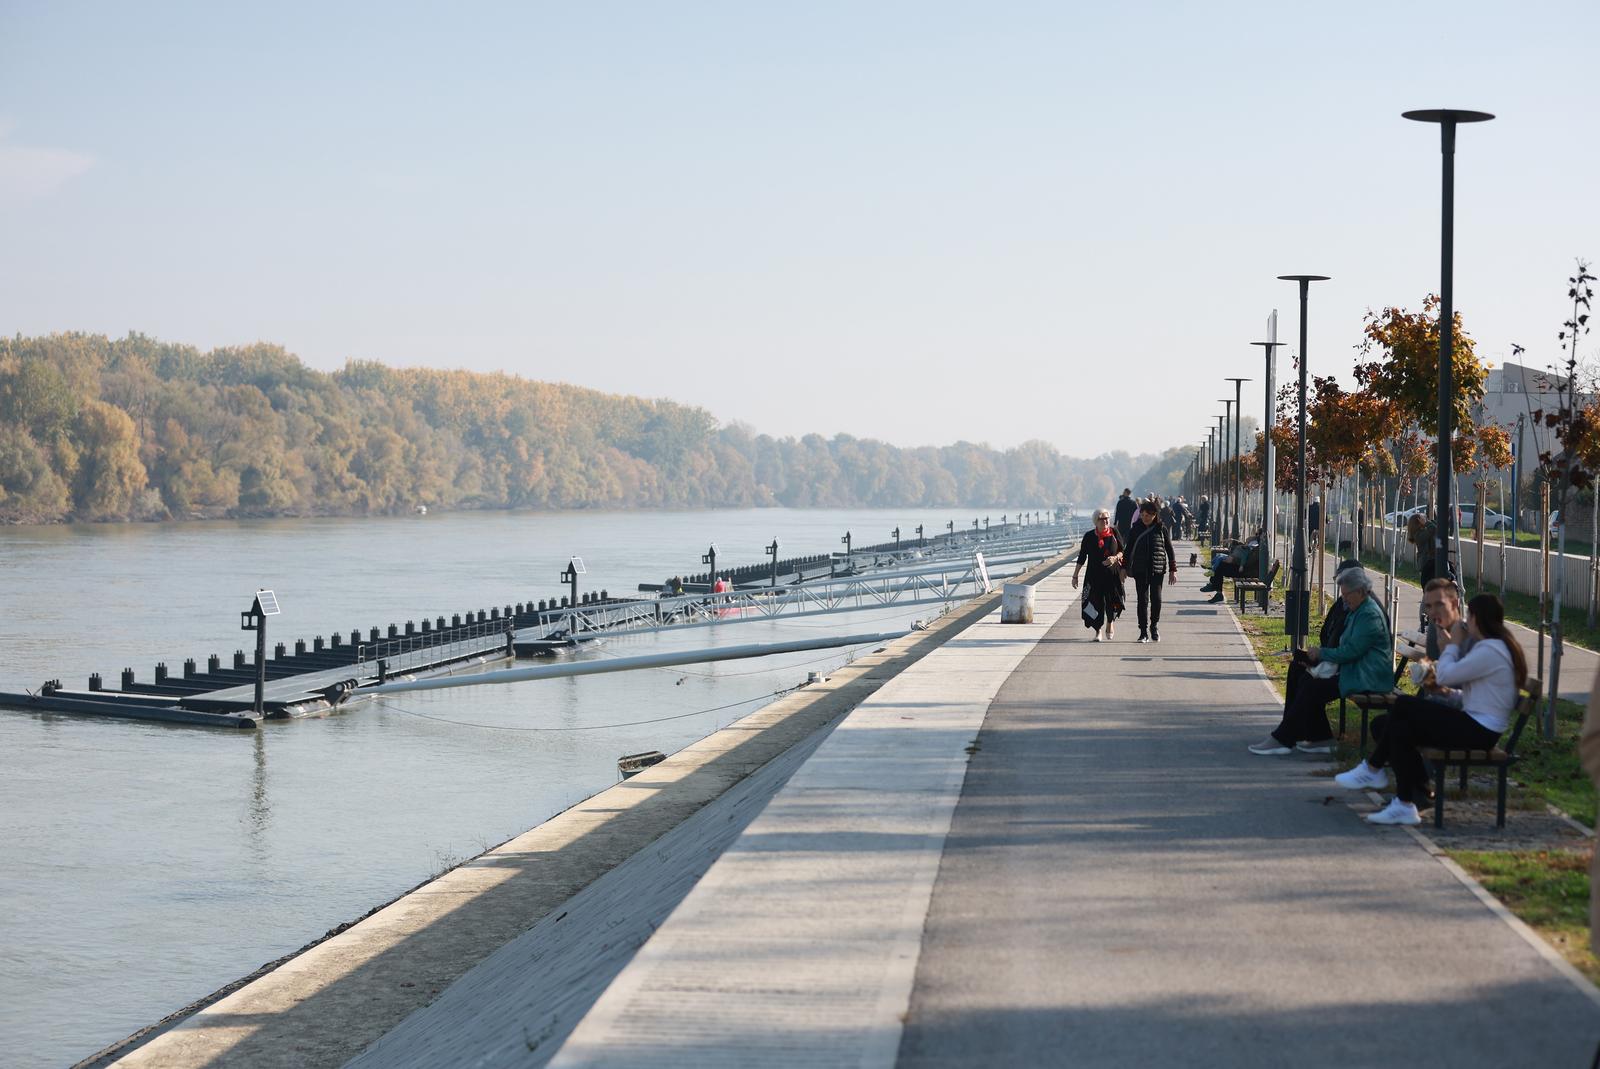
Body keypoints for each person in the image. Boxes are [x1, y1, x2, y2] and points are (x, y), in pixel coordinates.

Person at [1333, 592, 1527, 825]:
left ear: (1476, 618)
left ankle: (1374, 770)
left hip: (1480, 731)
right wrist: (1447, 694)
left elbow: (1445, 674)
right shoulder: (1493, 648)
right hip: (1476, 724)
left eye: (1468, 616)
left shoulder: (1490, 651)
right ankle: (1411, 798)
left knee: (1403, 706)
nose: (1465, 622)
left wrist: (1451, 647)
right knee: (1390, 726)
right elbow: (1479, 696)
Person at [1250, 566, 1392, 756]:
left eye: (1346, 594)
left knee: (1312, 687)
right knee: (1298, 671)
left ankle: (1284, 738)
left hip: (1367, 677)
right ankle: (1317, 737)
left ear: (1360, 591)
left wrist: (1321, 654)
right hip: (1353, 670)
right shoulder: (1357, 610)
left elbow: (1352, 651)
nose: (1344, 599)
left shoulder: (1369, 615)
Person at [1126, 499, 1178, 642]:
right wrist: (1124, 568)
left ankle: (1154, 626)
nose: (1144, 517)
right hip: (1140, 570)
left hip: (1157, 569)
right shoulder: (1135, 529)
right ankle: (1143, 631)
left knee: (1157, 600)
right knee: (1142, 601)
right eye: (1142, 514)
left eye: (1148, 515)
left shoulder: (1161, 528)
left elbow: (1169, 549)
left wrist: (1173, 570)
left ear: (1154, 514)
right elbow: (1128, 549)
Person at [1073, 509, 1125, 642]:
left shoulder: (1114, 532)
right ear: (1096, 521)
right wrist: (1075, 575)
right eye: (1102, 519)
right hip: (1094, 575)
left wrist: (1115, 558)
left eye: (1107, 517)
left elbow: (1122, 551)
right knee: (1095, 602)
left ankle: (1110, 622)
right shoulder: (1089, 536)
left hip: (1112, 575)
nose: (1106, 520)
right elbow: (1082, 557)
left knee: (1113, 600)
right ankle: (1098, 631)